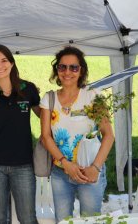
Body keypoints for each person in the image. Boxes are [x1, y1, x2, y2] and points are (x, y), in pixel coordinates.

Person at [40, 46, 114, 223]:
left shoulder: (93, 96)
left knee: (90, 220)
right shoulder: (48, 99)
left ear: (81, 70)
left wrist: (95, 168)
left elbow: (108, 135)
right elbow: (45, 137)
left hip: (89, 172)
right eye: (62, 67)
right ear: (56, 70)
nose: (67, 72)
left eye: (74, 67)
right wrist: (66, 165)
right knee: (63, 220)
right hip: (61, 173)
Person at [0, 44, 40, 224]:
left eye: (4, 61)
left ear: (12, 63)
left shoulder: (28, 89)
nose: (0, 66)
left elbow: (47, 118)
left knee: (27, 218)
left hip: (23, 165)